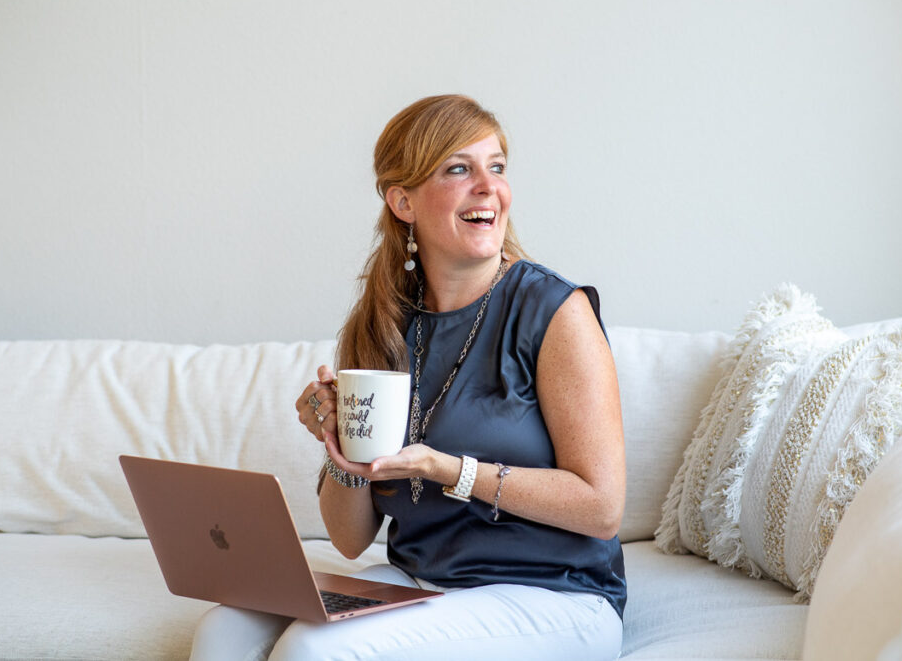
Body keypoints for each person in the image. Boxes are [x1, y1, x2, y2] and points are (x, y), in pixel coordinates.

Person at [190, 94, 627, 660]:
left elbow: (601, 506)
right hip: (422, 583)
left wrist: (447, 469)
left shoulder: (554, 311)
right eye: (458, 168)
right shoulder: (381, 326)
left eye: (496, 167)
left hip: (555, 596)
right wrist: (339, 447)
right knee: (223, 630)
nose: (488, 186)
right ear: (403, 201)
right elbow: (349, 541)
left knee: (313, 652)